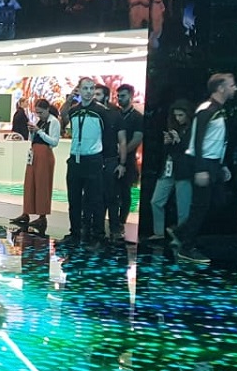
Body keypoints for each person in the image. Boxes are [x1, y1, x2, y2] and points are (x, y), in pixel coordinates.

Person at [171, 73, 237, 263]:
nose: (235, 88)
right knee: (200, 206)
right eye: (231, 85)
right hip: (202, 162)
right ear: (221, 88)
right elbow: (197, 141)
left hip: (213, 163)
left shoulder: (219, 110)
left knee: (217, 202)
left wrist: (222, 165)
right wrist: (200, 169)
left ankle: (181, 232)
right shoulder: (206, 109)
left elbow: (217, 141)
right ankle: (187, 247)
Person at [61, 77, 123, 246]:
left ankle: (98, 235)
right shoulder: (74, 110)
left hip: (94, 160)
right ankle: (74, 233)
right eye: (85, 88)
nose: (88, 92)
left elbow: (108, 137)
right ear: (79, 90)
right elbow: (63, 117)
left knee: (95, 200)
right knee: (74, 200)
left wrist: (107, 160)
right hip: (75, 160)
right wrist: (69, 100)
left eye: (91, 88)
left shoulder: (102, 111)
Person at [147, 100, 194, 242]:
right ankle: (159, 232)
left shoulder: (192, 130)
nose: (178, 118)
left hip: (183, 170)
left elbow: (191, 151)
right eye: (176, 115)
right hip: (169, 168)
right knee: (156, 201)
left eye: (181, 115)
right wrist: (167, 143)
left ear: (188, 115)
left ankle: (181, 236)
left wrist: (179, 141)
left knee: (183, 206)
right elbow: (167, 151)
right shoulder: (174, 127)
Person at [11, 100, 61, 232]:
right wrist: (32, 132)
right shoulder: (40, 122)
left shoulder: (54, 122)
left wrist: (40, 132)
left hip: (45, 155)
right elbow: (34, 139)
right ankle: (26, 212)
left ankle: (42, 216)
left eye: (41, 112)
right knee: (29, 183)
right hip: (34, 154)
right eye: (37, 113)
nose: (39, 115)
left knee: (42, 185)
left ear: (47, 110)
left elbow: (54, 142)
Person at [111, 84, 144, 241]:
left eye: (123, 96)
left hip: (128, 160)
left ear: (131, 96)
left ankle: (121, 222)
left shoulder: (137, 117)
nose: (119, 99)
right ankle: (113, 222)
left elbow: (137, 139)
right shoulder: (115, 115)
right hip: (112, 159)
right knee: (112, 192)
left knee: (125, 192)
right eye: (118, 96)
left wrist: (122, 152)